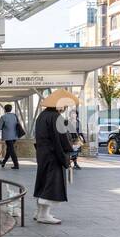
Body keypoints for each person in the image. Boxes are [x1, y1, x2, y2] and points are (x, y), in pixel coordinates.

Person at [33, 91, 75, 224]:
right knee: (51, 184)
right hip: (53, 155)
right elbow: (62, 139)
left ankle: (39, 212)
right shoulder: (56, 118)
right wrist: (69, 151)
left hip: (43, 154)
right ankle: (44, 215)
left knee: (43, 182)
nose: (64, 108)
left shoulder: (42, 116)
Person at [0, 103, 23, 170]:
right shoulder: (14, 116)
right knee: (9, 150)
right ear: (11, 109)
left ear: (4, 110)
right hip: (15, 136)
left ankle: (16, 165)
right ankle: (3, 162)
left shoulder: (3, 117)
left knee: (11, 150)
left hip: (8, 137)